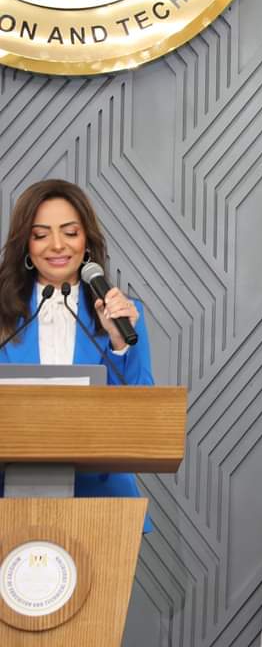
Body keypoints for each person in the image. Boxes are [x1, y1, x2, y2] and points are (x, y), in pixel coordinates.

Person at [0, 179, 154, 516]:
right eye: (41, 235)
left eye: (70, 232)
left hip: (102, 505)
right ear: (26, 244)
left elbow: (141, 419)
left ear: (87, 242)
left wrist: (118, 343)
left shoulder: (126, 315)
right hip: (8, 502)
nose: (57, 245)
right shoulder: (2, 318)